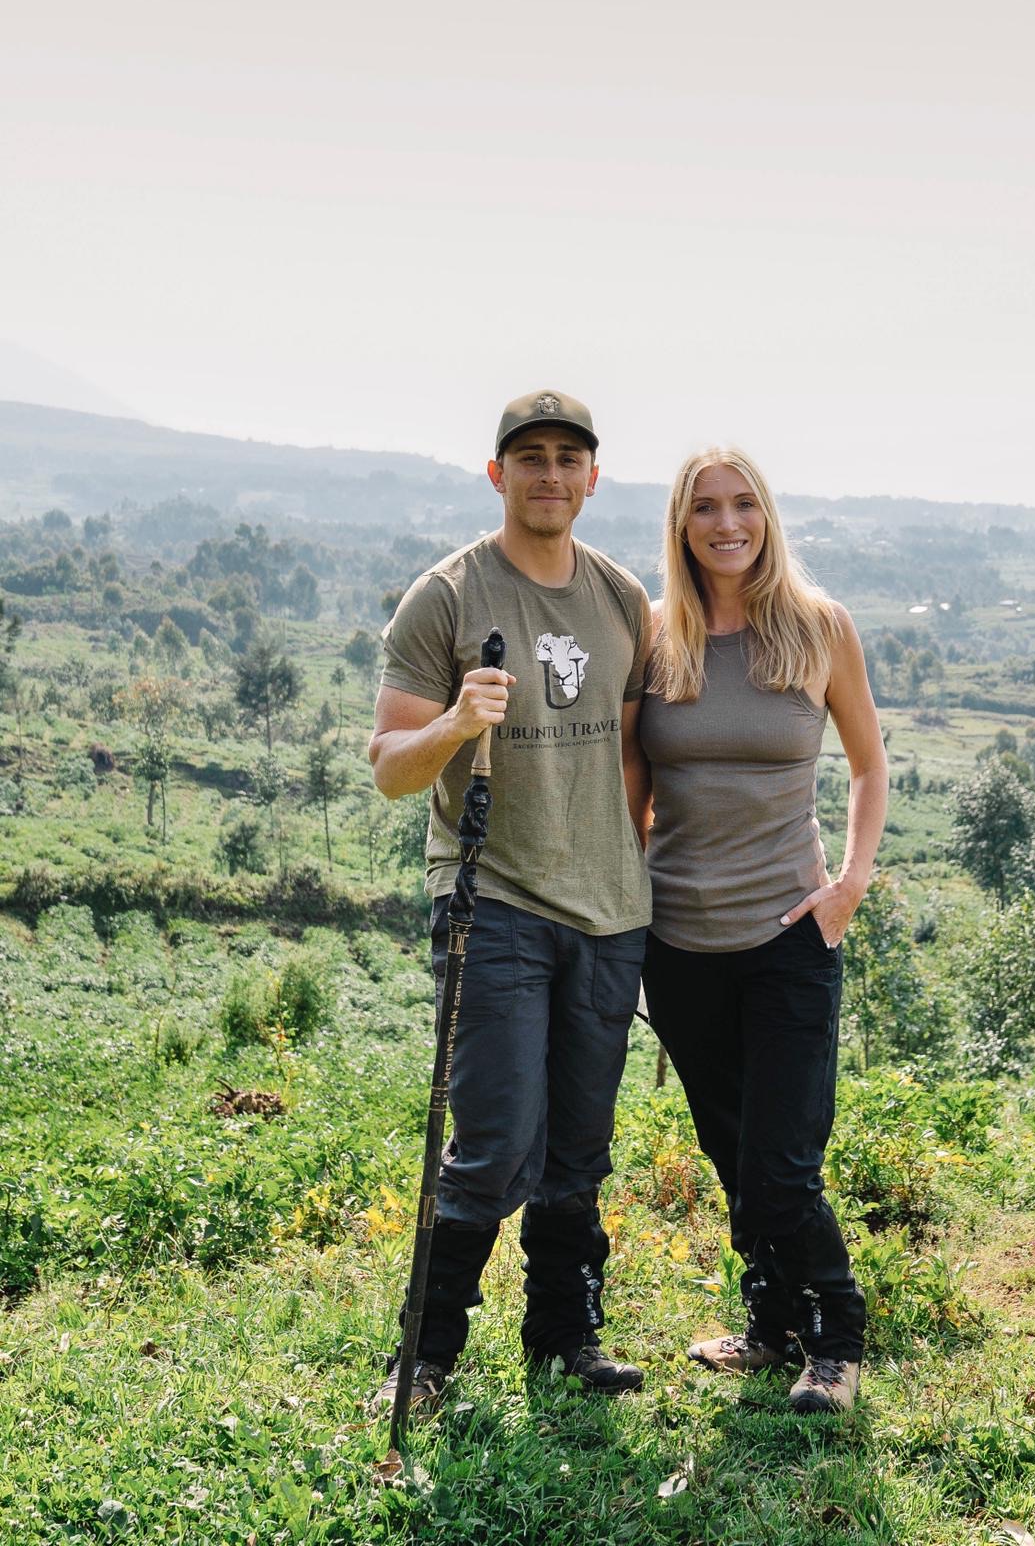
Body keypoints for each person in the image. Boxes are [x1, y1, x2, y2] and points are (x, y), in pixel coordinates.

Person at [368, 390, 652, 1408]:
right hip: (492, 898)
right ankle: (426, 1352)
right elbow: (390, 768)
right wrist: (452, 724)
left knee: (578, 1140)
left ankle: (562, 1340)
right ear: (497, 474)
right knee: (492, 1136)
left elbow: (631, 751)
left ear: (591, 476)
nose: (547, 473)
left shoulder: (621, 599)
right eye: (527, 456)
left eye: (566, 457)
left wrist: (634, 862)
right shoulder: (445, 596)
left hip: (609, 910)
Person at [634, 446, 888, 1414]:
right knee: (729, 1147)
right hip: (676, 938)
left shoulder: (818, 627)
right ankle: (769, 1322)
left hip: (787, 932)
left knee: (780, 1162)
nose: (726, 522)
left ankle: (837, 1335)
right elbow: (629, 783)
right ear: (681, 523)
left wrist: (849, 883)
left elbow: (867, 763)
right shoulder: (652, 637)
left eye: (742, 504)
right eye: (706, 507)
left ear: (766, 515)